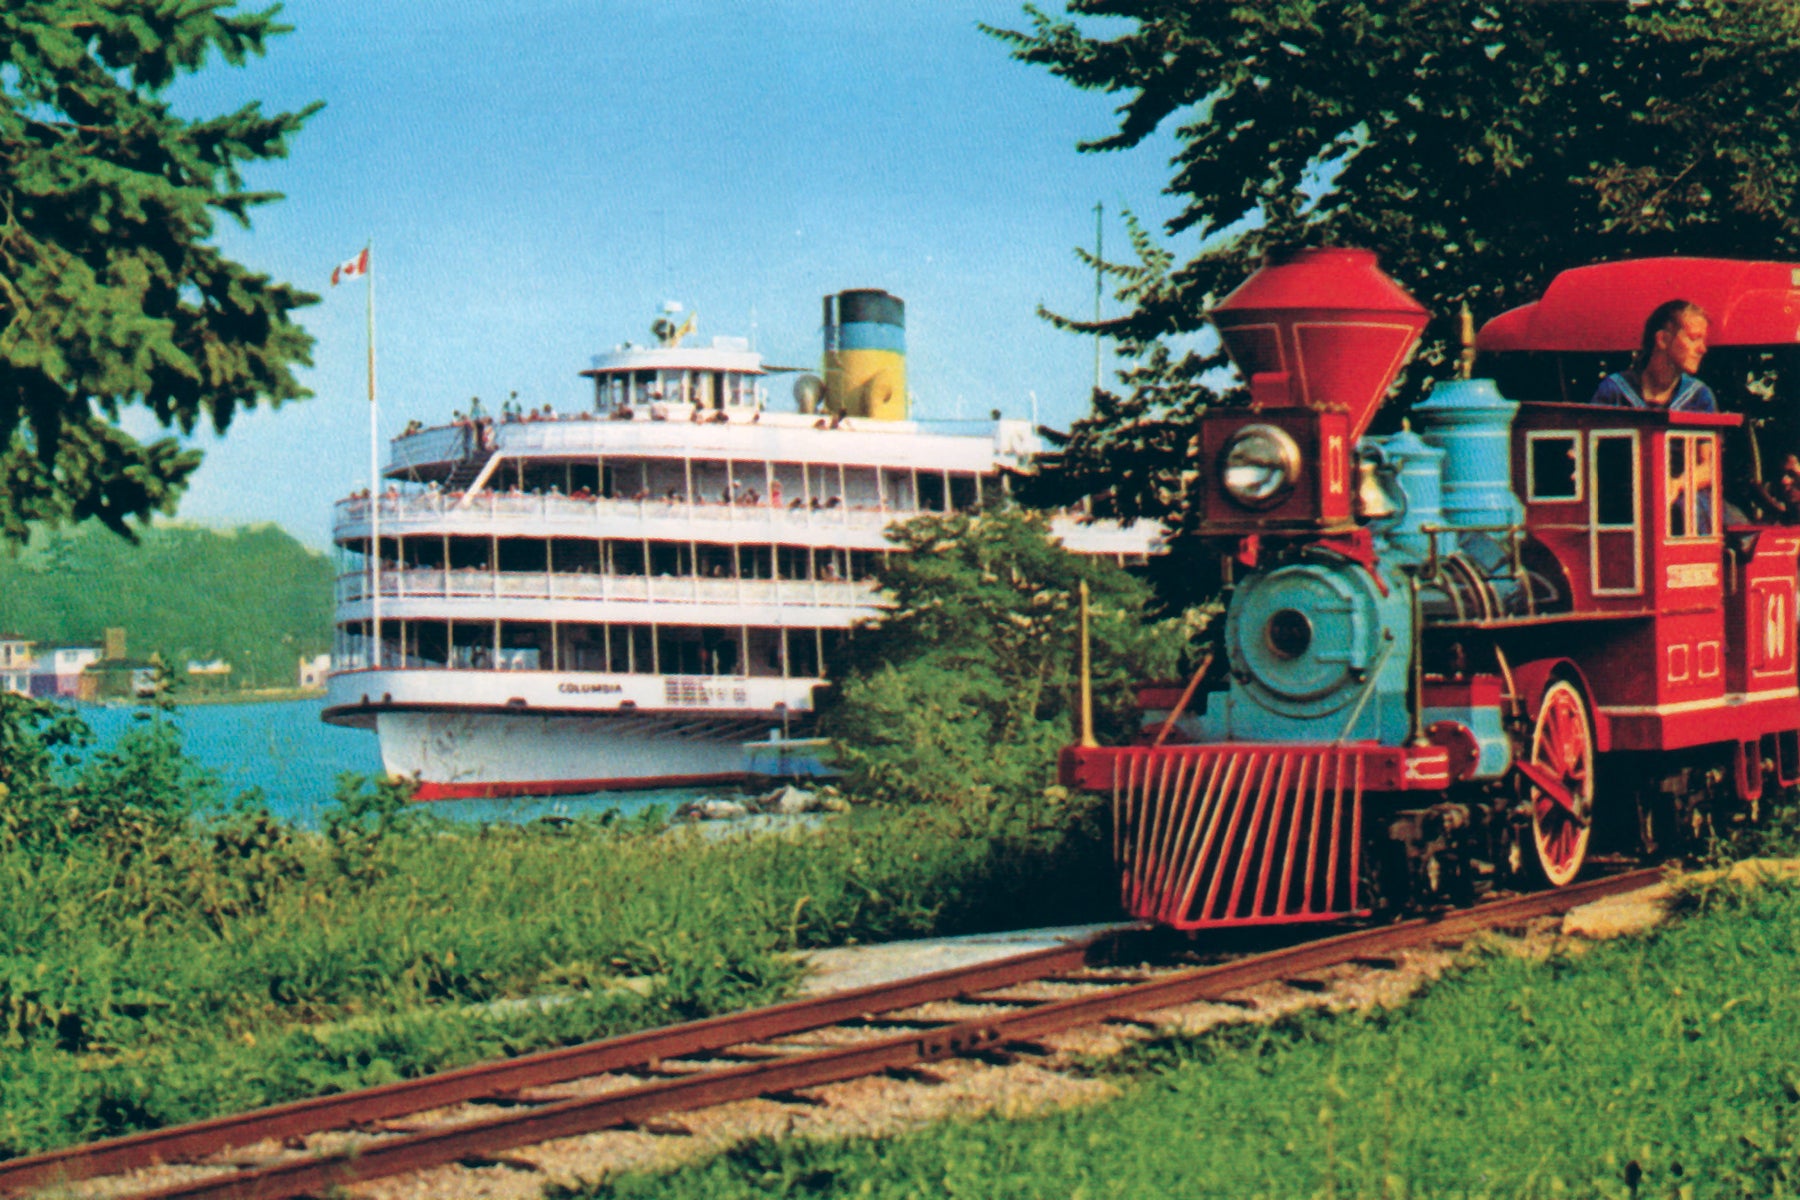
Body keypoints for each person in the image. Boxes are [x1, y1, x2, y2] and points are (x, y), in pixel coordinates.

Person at [1590, 300, 1715, 412]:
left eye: (1703, 341)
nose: (1702, 349)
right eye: (1693, 338)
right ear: (1663, 340)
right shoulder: (1614, 390)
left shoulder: (1699, 397)